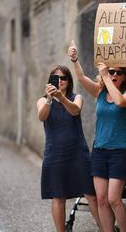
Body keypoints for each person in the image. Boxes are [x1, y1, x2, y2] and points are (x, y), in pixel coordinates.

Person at [68, 41, 126, 232]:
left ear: (125, 76)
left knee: (114, 199)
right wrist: (74, 59)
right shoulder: (99, 92)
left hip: (121, 151)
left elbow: (120, 101)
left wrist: (105, 76)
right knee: (101, 199)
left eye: (119, 72)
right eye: (111, 71)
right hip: (99, 150)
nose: (114, 75)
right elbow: (81, 78)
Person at [37, 65, 101, 232]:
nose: (59, 81)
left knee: (91, 195)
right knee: (58, 197)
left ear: (69, 81)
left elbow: (75, 110)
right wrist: (51, 99)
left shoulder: (76, 97)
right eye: (55, 77)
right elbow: (41, 116)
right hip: (55, 153)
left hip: (78, 153)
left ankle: (105, 228)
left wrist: (62, 98)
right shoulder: (43, 100)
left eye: (63, 78)